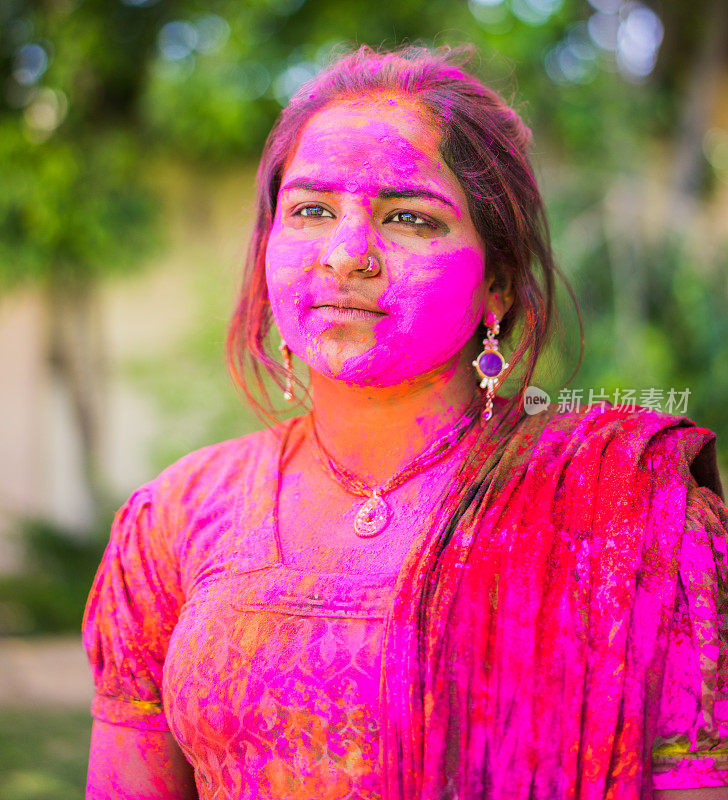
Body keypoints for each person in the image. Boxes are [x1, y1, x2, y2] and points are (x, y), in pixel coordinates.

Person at [83, 44, 728, 800]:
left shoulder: (635, 521)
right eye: (312, 210)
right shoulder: (175, 520)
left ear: (498, 285)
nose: (348, 252)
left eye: (410, 217)